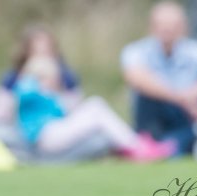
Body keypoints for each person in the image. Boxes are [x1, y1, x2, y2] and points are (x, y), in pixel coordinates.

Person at [121, 1, 197, 157]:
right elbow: (136, 78)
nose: (167, 31)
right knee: (146, 92)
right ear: (151, 27)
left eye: (172, 26)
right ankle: (186, 142)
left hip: (189, 113)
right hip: (156, 113)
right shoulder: (136, 51)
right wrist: (181, 99)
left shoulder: (194, 50)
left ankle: (176, 143)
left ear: (183, 28)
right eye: (162, 26)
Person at [10, 55, 174, 163]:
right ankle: (136, 147)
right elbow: (24, 90)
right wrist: (35, 79)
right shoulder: (30, 90)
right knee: (96, 105)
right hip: (45, 136)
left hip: (53, 133)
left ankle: (132, 145)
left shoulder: (47, 97)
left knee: (96, 110)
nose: (53, 82)